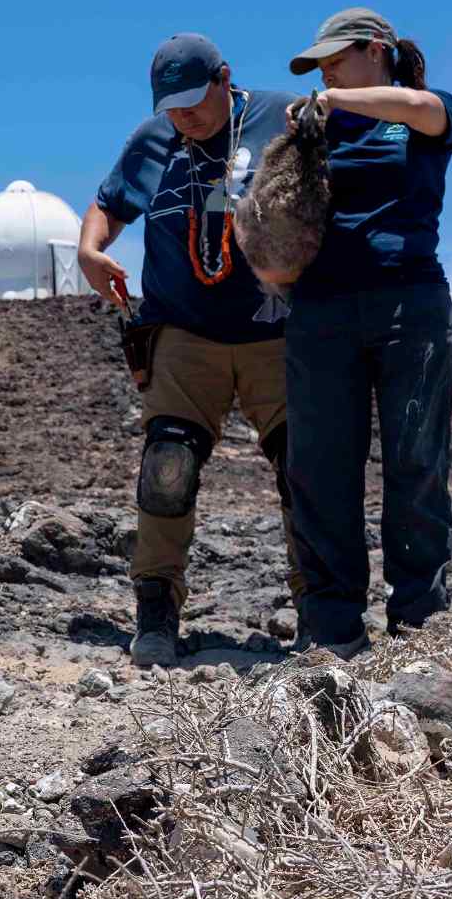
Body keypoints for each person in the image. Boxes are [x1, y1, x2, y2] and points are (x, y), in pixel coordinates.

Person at [78, 34, 305, 668]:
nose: (185, 116)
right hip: (182, 335)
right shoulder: (155, 138)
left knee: (304, 469)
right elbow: (109, 203)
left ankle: (320, 607)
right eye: (171, 106)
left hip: (277, 334)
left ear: (224, 78)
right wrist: (90, 249)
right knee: (167, 467)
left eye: (194, 102)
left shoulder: (280, 117)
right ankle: (155, 611)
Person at [283, 8, 452, 656]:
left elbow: (419, 106)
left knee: (416, 465)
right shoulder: (317, 128)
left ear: (375, 50)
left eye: (334, 56)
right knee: (321, 472)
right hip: (319, 313)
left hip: (408, 306)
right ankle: (333, 632)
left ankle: (420, 627)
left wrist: (332, 98)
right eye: (318, 65)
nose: (323, 72)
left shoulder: (424, 112)